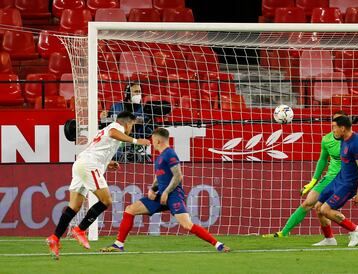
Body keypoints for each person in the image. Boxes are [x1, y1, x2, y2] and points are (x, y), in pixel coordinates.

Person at [263, 111, 358, 244]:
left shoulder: (352, 140)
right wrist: (312, 182)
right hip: (331, 178)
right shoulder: (327, 139)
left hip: (347, 179)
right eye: (333, 123)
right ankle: (287, 233)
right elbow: (322, 160)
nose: (334, 127)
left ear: (343, 126)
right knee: (310, 203)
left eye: (337, 123)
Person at [100, 127, 230, 253]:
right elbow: (160, 177)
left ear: (158, 141)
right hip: (161, 195)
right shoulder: (160, 157)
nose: (152, 143)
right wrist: (152, 189)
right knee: (130, 210)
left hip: (173, 195)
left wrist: (167, 192)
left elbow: (178, 176)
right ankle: (118, 244)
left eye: (153, 140)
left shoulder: (170, 154)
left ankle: (218, 244)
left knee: (187, 225)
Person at [46, 111, 151, 260]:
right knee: (106, 200)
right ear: (127, 123)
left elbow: (98, 149)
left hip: (80, 163)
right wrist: (136, 141)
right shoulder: (116, 127)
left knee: (74, 207)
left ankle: (55, 237)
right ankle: (80, 230)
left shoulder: (106, 130)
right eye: (132, 125)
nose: (132, 129)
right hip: (89, 165)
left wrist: (108, 163)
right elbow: (114, 133)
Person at [315, 114, 358, 247]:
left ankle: (356, 230)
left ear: (342, 128)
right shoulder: (343, 138)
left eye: (334, 127)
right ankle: (329, 239)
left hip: (349, 184)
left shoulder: (357, 144)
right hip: (340, 179)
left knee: (326, 210)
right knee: (318, 207)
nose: (333, 130)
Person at [100, 83, 153, 162]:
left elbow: (148, 133)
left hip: (136, 149)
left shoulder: (144, 109)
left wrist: (148, 122)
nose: (138, 94)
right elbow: (107, 127)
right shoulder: (116, 107)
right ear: (128, 94)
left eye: (139, 92)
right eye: (136, 91)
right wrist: (103, 118)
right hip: (117, 147)